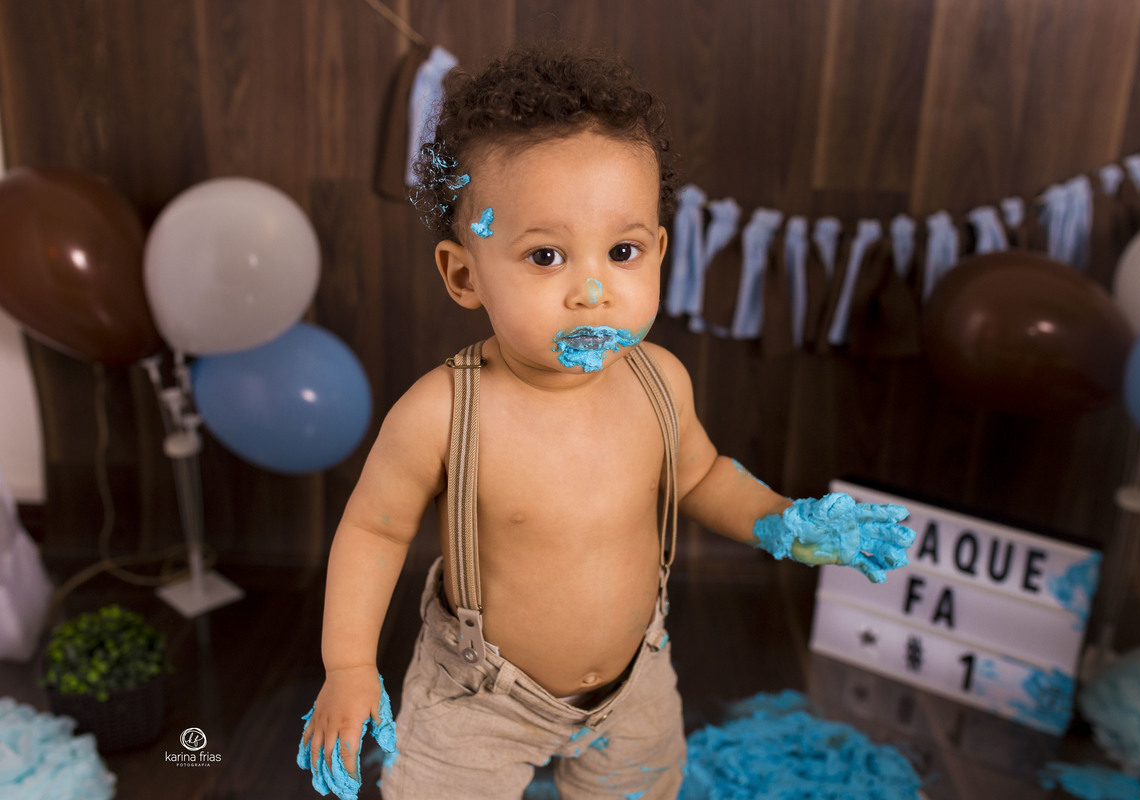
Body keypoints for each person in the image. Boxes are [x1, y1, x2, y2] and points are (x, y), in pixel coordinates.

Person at [299, 43, 914, 800]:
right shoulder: (443, 411)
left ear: (658, 251)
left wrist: (782, 520)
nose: (594, 291)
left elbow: (704, 476)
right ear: (465, 275)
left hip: (634, 681)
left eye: (622, 251)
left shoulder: (659, 381)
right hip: (480, 698)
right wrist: (350, 668)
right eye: (546, 255)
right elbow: (375, 530)